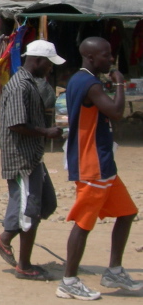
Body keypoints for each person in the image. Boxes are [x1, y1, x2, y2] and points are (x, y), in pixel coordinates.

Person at [56, 37, 142, 300]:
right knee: (83, 223)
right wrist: (119, 82)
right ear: (91, 58)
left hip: (103, 162)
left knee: (127, 212)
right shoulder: (89, 84)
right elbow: (116, 111)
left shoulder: (80, 80)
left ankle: (114, 270)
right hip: (92, 162)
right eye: (106, 56)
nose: (110, 59)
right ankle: (68, 281)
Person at [0, 39, 64, 281]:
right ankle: (22, 263)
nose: (50, 69)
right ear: (39, 61)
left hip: (32, 156)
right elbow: (16, 124)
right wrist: (46, 132)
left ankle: (7, 240)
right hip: (21, 158)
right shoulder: (20, 86)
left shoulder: (31, 84)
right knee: (28, 211)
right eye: (49, 65)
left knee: (43, 204)